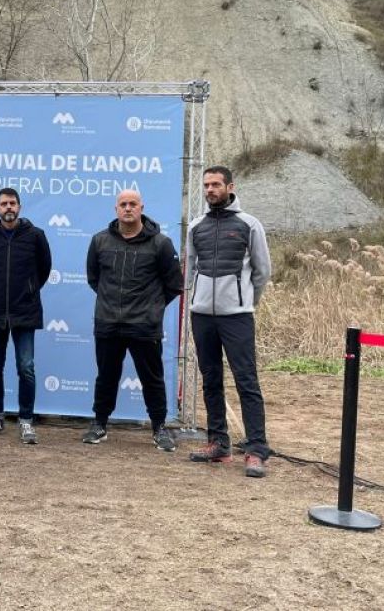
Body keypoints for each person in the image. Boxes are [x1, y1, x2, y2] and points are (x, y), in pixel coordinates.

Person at [186, 165, 272, 478]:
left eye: (216, 185)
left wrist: (245, 302)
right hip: (202, 317)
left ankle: (256, 450)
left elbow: (262, 271)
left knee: (246, 381)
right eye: (206, 185)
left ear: (230, 186)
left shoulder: (250, 224)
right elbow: (190, 269)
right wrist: (198, 302)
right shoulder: (195, 226)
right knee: (210, 379)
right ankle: (218, 443)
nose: (210, 190)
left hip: (237, 317)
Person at [82, 190, 183, 451]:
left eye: (133, 204)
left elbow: (173, 285)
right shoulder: (99, 241)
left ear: (141, 208)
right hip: (107, 323)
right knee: (105, 377)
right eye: (123, 204)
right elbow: (95, 279)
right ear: (116, 209)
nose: (128, 208)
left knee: (152, 379)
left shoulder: (161, 243)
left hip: (144, 325)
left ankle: (159, 428)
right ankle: (99, 424)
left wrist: (151, 308)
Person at [0, 188, 52, 444]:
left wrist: (28, 290)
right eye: (4, 204)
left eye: (13, 203)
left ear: (19, 206)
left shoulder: (36, 236)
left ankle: (26, 420)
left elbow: (44, 269)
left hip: (25, 312)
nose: (9, 207)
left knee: (26, 368)